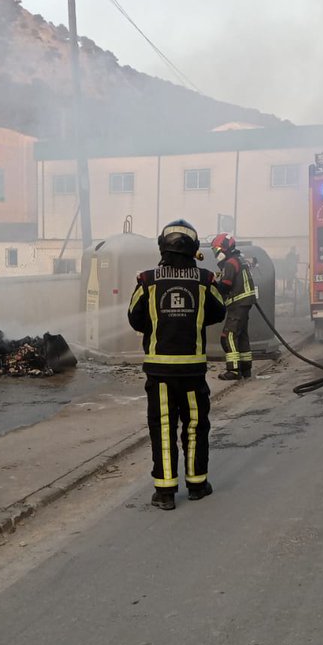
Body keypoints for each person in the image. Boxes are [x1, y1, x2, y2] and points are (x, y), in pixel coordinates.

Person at [128, 219, 225, 510]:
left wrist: (163, 322)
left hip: (159, 371)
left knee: (163, 427)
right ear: (194, 249)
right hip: (193, 370)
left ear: (162, 246)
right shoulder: (205, 280)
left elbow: (134, 317)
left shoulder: (147, 280)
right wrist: (191, 320)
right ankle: (197, 484)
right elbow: (219, 311)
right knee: (195, 424)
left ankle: (166, 492)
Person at [211, 233, 255, 381]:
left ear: (224, 248)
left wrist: (212, 285)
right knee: (242, 335)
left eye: (217, 250)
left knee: (228, 336)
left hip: (238, 303)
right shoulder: (239, 259)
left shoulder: (230, 263)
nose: (217, 254)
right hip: (245, 303)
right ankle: (246, 369)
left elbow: (225, 286)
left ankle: (234, 370)